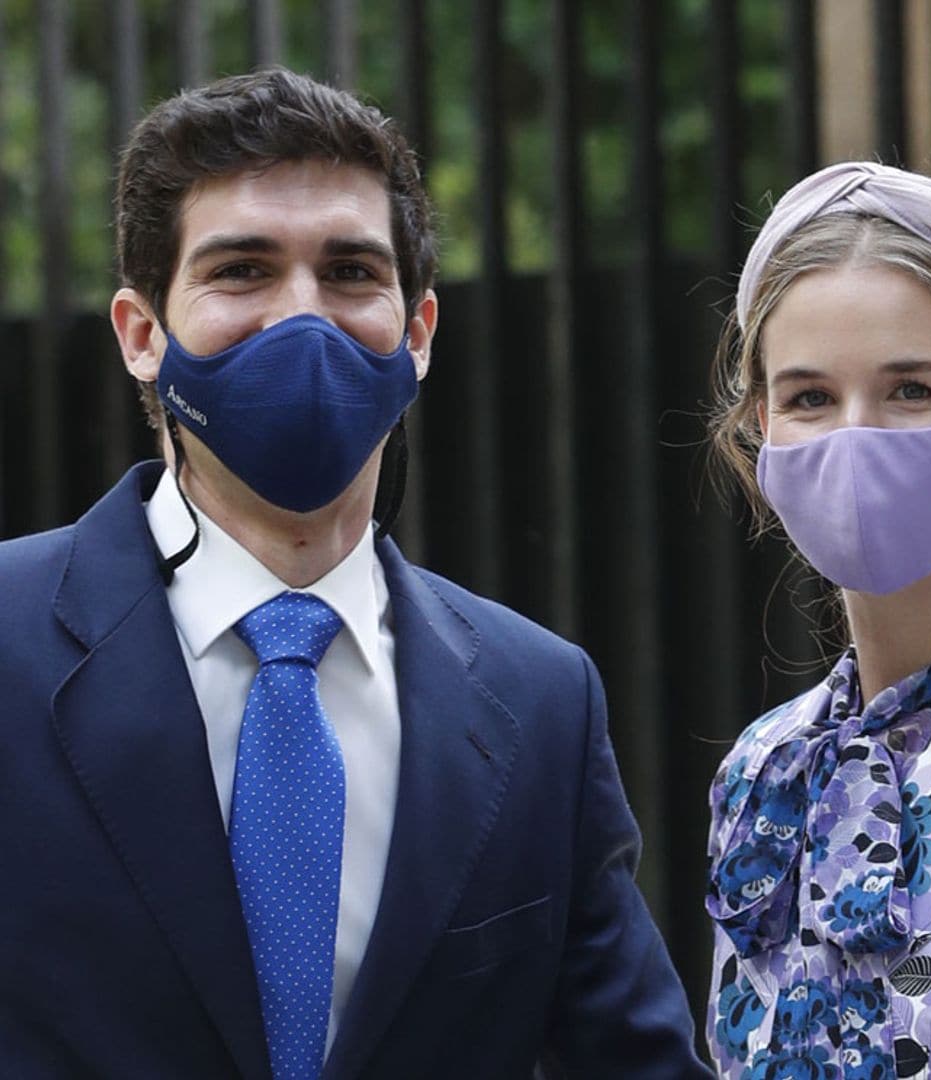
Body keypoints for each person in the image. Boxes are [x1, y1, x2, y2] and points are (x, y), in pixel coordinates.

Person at [0, 68, 713, 1079]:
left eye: (350, 274)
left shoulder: (542, 701)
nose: (305, 318)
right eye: (242, 270)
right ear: (143, 335)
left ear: (417, 332)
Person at [705, 161, 931, 1079]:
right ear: (760, 429)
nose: (855, 436)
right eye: (809, 398)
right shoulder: (760, 775)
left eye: (911, 389)